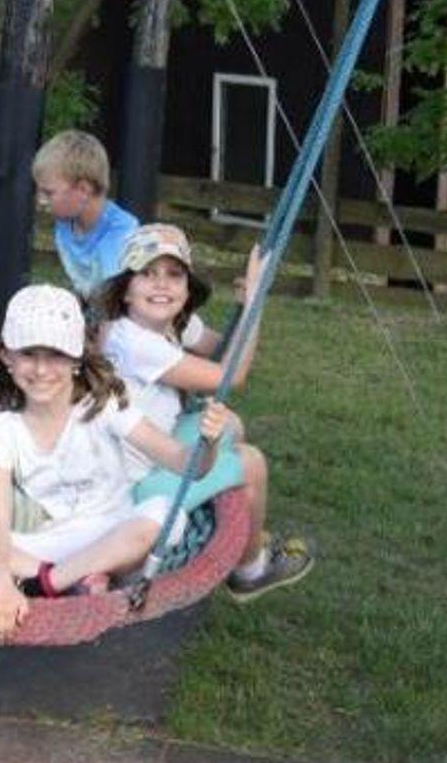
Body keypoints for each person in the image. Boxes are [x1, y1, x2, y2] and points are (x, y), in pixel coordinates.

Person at [0, 285, 232, 642]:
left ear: (77, 358)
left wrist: (209, 444)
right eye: (29, 354)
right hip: (49, 540)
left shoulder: (102, 404)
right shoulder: (3, 425)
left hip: (112, 533)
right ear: (7, 357)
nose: (42, 369)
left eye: (56, 355)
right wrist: (0, 582)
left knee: (165, 515)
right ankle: (74, 580)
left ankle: (47, 584)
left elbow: (188, 465)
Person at [95, 223, 313, 600]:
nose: (161, 285)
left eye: (173, 274)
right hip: (130, 488)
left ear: (186, 288)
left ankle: (237, 520)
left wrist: (244, 310)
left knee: (231, 424)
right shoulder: (132, 341)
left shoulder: (174, 323)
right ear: (125, 289)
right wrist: (255, 304)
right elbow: (231, 376)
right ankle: (249, 571)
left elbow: (224, 350)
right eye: (147, 274)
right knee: (251, 463)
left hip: (156, 446)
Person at [33, 129, 138, 301]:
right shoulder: (66, 223)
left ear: (83, 189)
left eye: (48, 193)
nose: (41, 201)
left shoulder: (122, 235)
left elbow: (114, 301)